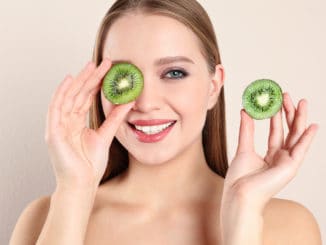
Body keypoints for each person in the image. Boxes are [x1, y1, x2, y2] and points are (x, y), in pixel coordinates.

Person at [10, 0, 322, 244]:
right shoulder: (44, 218)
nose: (145, 103)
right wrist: (74, 189)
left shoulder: (289, 226)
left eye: (174, 73)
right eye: (124, 77)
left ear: (214, 85)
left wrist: (244, 218)